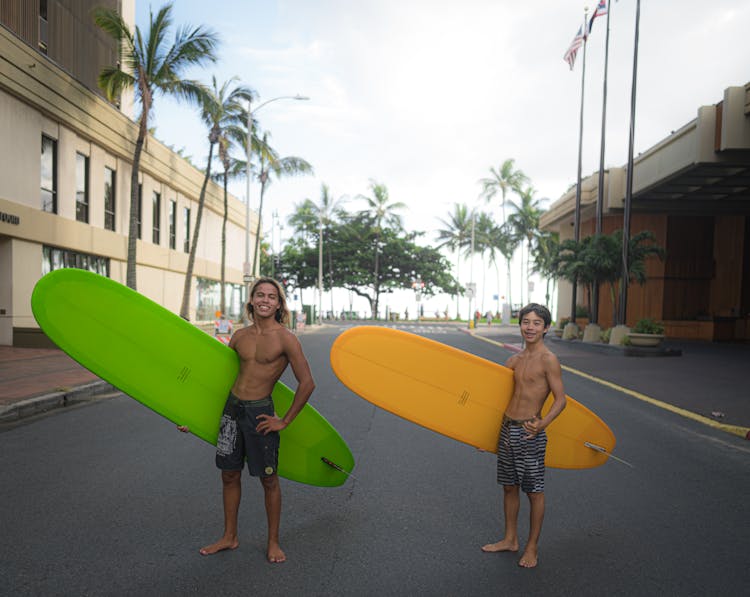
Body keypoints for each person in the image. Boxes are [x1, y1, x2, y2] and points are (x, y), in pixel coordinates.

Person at [179, 277, 314, 563]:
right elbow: (217, 380)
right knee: (228, 474)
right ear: (251, 300)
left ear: (279, 304)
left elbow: (307, 383)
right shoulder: (239, 336)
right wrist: (190, 416)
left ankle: (273, 542)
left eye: (272, 296)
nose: (265, 300)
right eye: (260, 295)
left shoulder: (286, 338)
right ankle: (229, 536)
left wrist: (284, 421)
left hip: (259, 412)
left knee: (268, 479)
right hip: (232, 409)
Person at [481, 303, 566, 569]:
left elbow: (561, 400)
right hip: (507, 429)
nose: (530, 327)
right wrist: (483, 436)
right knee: (508, 487)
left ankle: (532, 547)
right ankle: (510, 539)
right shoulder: (514, 360)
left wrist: (543, 424)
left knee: (534, 491)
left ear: (546, 328)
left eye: (536, 323)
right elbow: (497, 400)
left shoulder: (548, 360)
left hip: (530, 432)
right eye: (526, 322)